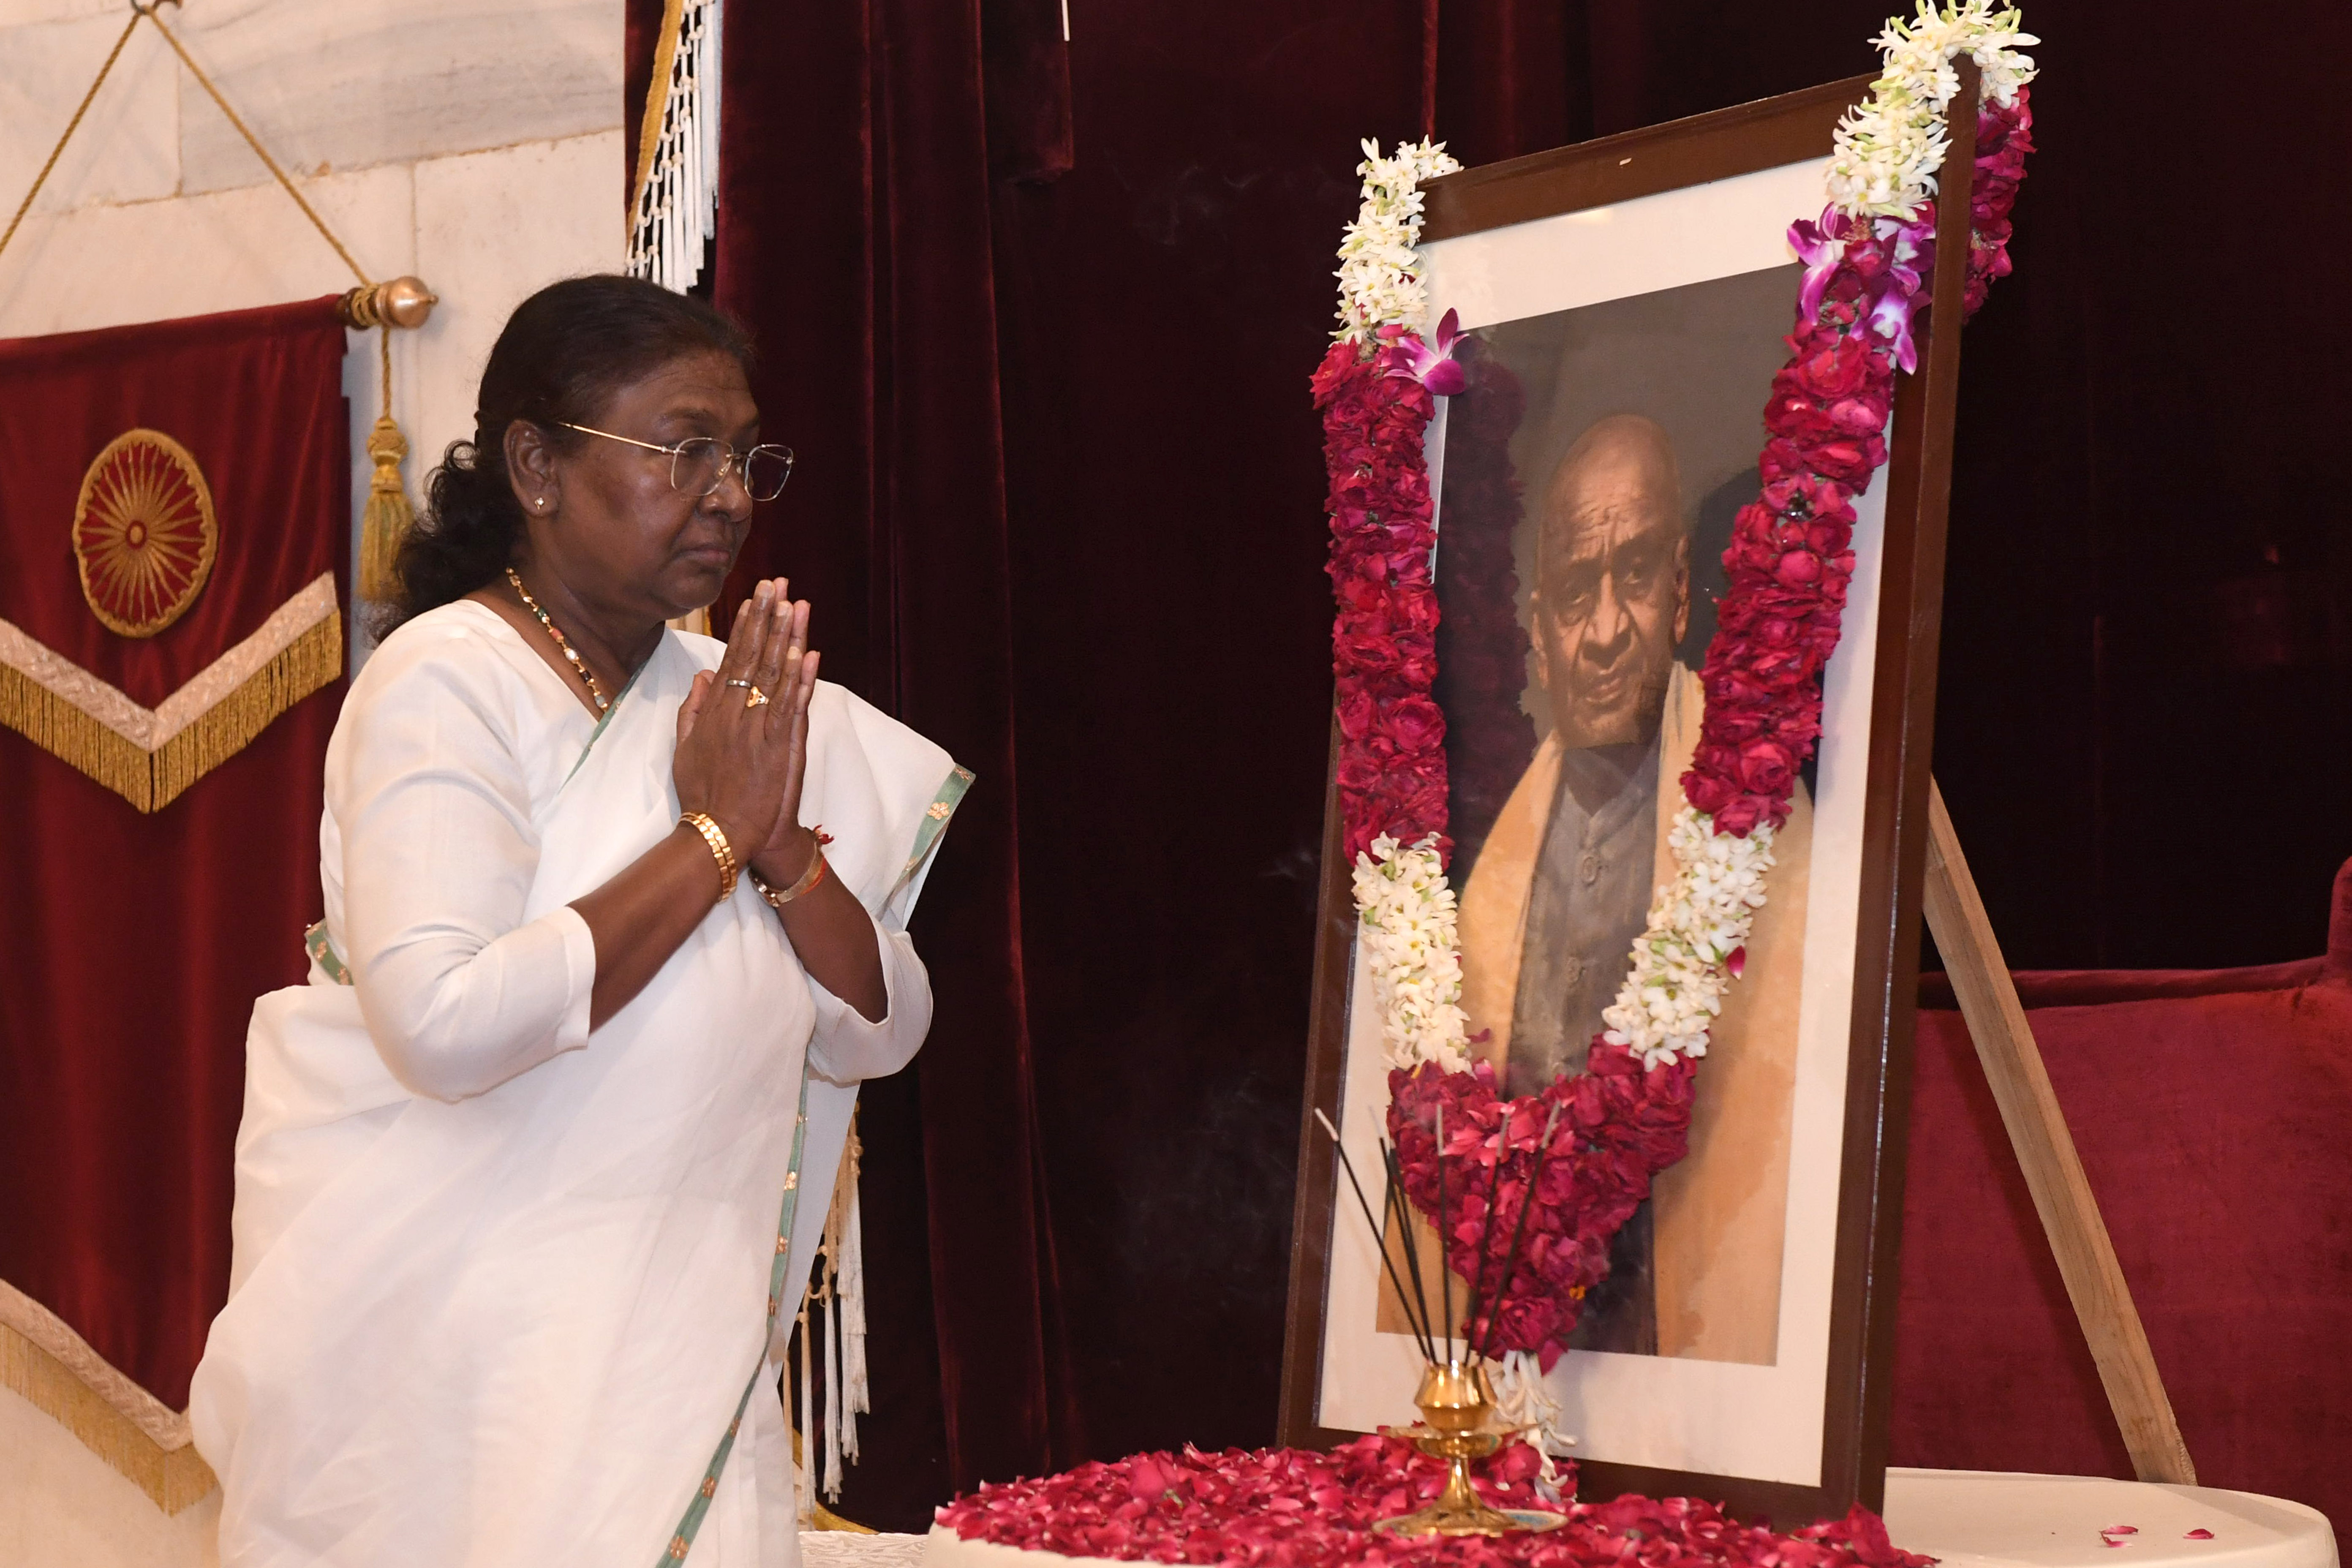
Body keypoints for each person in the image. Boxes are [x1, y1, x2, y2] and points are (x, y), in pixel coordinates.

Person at [187, 275, 969, 1566]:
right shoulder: (446, 682)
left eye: (742, 455)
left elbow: (881, 1028)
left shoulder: (727, 704)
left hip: (669, 1369)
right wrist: (709, 839)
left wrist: (779, 851)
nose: (727, 491)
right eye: (682, 450)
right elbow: (442, 1027)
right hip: (462, 1394)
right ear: (538, 467)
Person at [1455, 413, 1810, 1364]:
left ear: (1685, 592)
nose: (1608, 630)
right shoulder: (1490, 885)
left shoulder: (1762, 841)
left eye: (1638, 575)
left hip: (1684, 1364)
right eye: (1578, 592)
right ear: (1537, 632)